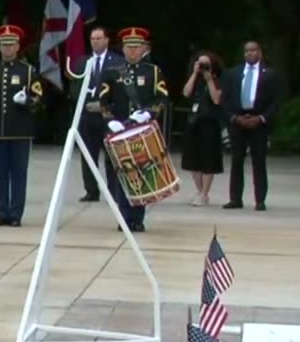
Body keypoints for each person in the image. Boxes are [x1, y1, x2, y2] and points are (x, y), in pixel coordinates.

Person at [98, 27, 169, 233]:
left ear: (143, 48)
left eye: (136, 47)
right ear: (123, 48)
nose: (132, 51)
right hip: (118, 130)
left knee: (141, 174)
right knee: (120, 175)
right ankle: (123, 217)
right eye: (129, 47)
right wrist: (110, 120)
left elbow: (162, 97)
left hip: (141, 131)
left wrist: (149, 113)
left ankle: (137, 218)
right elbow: (103, 101)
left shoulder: (153, 72)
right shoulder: (111, 72)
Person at [0, 24, 43, 226]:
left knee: (18, 175)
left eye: (10, 44)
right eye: (3, 44)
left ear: (17, 46)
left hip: (20, 131)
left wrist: (27, 101)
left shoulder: (28, 71)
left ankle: (15, 214)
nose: (7, 48)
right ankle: (1, 211)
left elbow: (39, 99)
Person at [221, 40, 279, 211]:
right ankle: (235, 199)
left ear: (260, 52)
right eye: (246, 51)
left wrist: (261, 118)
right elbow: (225, 100)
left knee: (259, 162)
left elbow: (275, 102)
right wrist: (234, 118)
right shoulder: (233, 73)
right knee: (236, 160)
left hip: (258, 121)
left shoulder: (270, 74)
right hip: (238, 121)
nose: (249, 54)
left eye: (253, 50)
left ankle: (260, 200)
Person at [70, 26, 122, 201]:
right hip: (87, 116)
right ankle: (91, 190)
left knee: (111, 156)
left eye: (99, 38)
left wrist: (105, 106)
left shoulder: (117, 61)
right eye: (93, 39)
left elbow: (121, 90)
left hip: (108, 116)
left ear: (107, 40)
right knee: (88, 154)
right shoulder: (82, 62)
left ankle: (113, 190)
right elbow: (75, 87)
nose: (96, 42)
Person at [181, 51, 224, 206]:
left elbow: (217, 99)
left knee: (208, 159)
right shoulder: (196, 80)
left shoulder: (219, 80)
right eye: (200, 63)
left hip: (210, 123)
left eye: (206, 64)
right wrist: (195, 73)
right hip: (194, 122)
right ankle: (199, 191)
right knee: (193, 159)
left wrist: (209, 80)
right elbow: (186, 93)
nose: (203, 67)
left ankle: (205, 193)